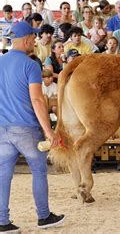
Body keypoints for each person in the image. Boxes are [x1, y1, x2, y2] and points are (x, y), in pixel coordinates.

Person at [0, 21, 65, 233]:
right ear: (27, 39)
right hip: (26, 128)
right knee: (38, 170)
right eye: (34, 37)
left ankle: (2, 221)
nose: (35, 41)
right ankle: (44, 216)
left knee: (3, 174)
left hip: (3, 128)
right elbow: (37, 101)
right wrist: (49, 132)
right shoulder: (31, 65)